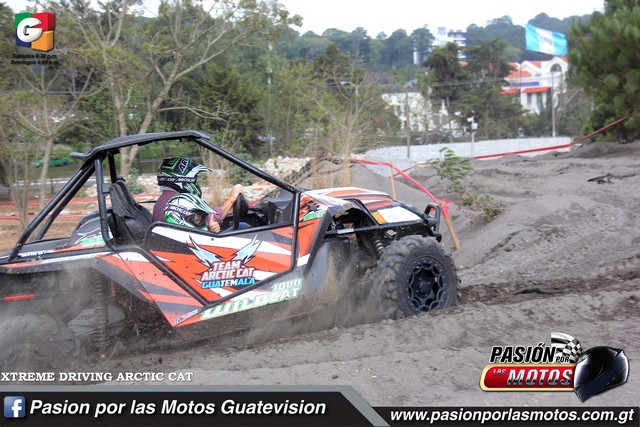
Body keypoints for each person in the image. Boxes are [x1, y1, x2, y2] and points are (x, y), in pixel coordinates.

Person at [152, 156, 244, 233]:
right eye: (194, 178)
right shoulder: (179, 202)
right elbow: (212, 220)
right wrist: (231, 198)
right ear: (184, 179)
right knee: (244, 226)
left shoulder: (164, 200)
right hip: (194, 245)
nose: (196, 183)